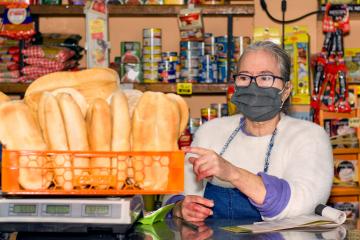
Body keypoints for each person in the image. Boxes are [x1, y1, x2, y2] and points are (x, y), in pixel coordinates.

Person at [167, 41, 333, 222]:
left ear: (286, 90)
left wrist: (232, 173)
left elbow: (302, 204)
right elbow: (173, 196)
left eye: (265, 78)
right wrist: (180, 208)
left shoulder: (310, 137)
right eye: (245, 77)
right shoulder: (210, 132)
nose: (253, 87)